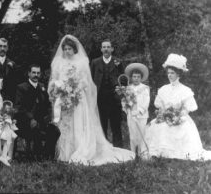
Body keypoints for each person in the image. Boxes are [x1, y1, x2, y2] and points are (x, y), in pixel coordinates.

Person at [48, 35, 135, 165]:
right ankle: (65, 152)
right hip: (64, 99)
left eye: (70, 49)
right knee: (66, 124)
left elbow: (86, 81)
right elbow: (54, 80)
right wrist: (59, 88)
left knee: (78, 123)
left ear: (75, 49)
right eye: (65, 49)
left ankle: (80, 149)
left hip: (77, 98)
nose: (67, 51)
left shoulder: (81, 62)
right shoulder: (58, 63)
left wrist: (74, 89)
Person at [141, 54, 211, 160]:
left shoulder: (185, 90)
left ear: (178, 74)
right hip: (165, 117)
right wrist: (163, 115)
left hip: (180, 117)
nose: (169, 75)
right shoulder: (163, 89)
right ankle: (159, 153)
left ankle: (177, 154)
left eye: (172, 73)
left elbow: (187, 109)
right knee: (160, 127)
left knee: (180, 129)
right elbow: (160, 106)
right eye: (168, 73)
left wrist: (177, 117)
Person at [15, 64, 60, 160]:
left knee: (55, 131)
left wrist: (48, 118)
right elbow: (19, 107)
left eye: (38, 73)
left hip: (41, 120)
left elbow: (48, 105)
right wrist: (30, 119)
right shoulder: (22, 87)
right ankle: (36, 156)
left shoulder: (42, 87)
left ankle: (46, 155)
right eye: (33, 72)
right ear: (29, 74)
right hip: (26, 121)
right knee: (36, 130)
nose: (36, 75)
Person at [90, 39, 124, 147]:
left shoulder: (118, 61)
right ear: (101, 49)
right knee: (101, 124)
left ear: (112, 49)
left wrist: (120, 90)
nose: (106, 49)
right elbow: (91, 79)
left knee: (116, 125)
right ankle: (103, 148)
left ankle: (118, 148)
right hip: (100, 98)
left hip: (114, 98)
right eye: (104, 47)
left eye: (108, 47)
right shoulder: (95, 62)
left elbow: (123, 79)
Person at [120, 63, 150, 153]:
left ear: (141, 78)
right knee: (133, 135)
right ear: (131, 78)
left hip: (142, 115)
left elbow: (146, 101)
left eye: (138, 77)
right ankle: (133, 153)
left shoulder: (145, 88)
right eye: (134, 77)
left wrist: (140, 111)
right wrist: (127, 109)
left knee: (141, 134)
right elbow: (124, 101)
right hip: (131, 115)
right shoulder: (128, 88)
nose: (136, 79)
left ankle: (142, 153)